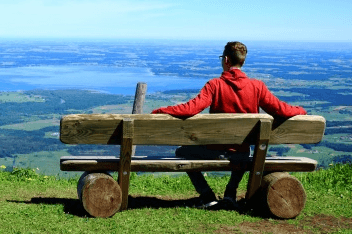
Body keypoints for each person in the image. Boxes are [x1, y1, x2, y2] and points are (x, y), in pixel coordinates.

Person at [151, 41, 306, 210]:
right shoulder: (257, 87)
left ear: (226, 60)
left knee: (181, 152)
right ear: (243, 61)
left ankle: (207, 196)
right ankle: (230, 194)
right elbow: (281, 109)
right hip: (242, 154)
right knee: (241, 148)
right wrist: (301, 111)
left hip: (214, 152)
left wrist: (162, 110)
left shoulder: (214, 85)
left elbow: (191, 108)